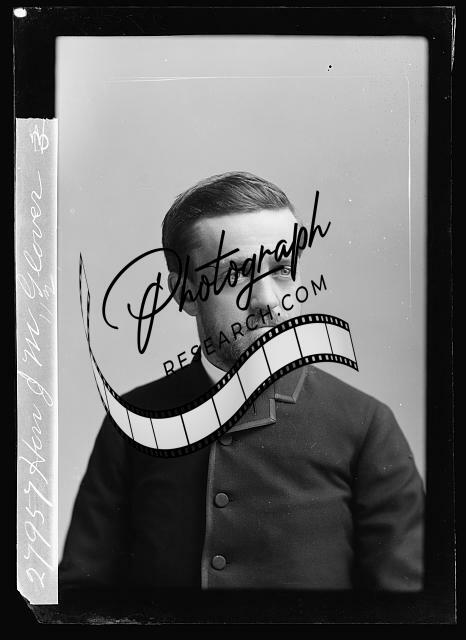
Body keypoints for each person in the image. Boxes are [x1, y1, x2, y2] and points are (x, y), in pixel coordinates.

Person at [59, 172, 424, 592]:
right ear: (184, 293)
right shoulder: (133, 423)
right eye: (235, 275)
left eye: (281, 270)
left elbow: (405, 608)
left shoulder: (367, 425)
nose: (268, 300)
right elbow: (81, 599)